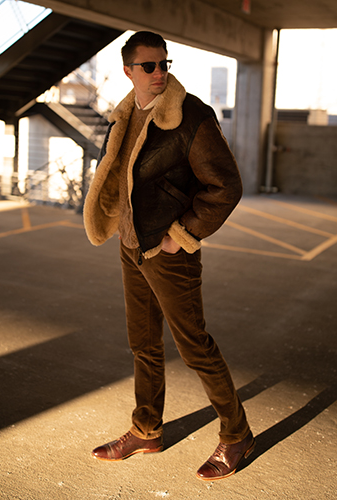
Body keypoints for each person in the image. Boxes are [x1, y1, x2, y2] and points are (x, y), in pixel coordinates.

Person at [83, 31, 255, 481]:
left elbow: (225, 186)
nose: (160, 73)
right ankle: (147, 429)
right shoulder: (124, 115)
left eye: (165, 64)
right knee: (143, 344)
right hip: (131, 245)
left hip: (168, 249)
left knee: (194, 345)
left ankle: (237, 435)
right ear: (128, 71)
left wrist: (184, 235)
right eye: (149, 66)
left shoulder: (190, 115)